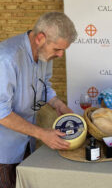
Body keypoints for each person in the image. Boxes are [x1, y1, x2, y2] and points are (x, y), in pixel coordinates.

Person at [0, 12, 78, 187]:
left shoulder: (44, 54)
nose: (60, 56)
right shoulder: (6, 59)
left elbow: (44, 86)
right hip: (3, 152)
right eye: (57, 49)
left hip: (26, 142)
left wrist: (58, 104)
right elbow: (1, 112)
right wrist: (42, 134)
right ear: (40, 38)